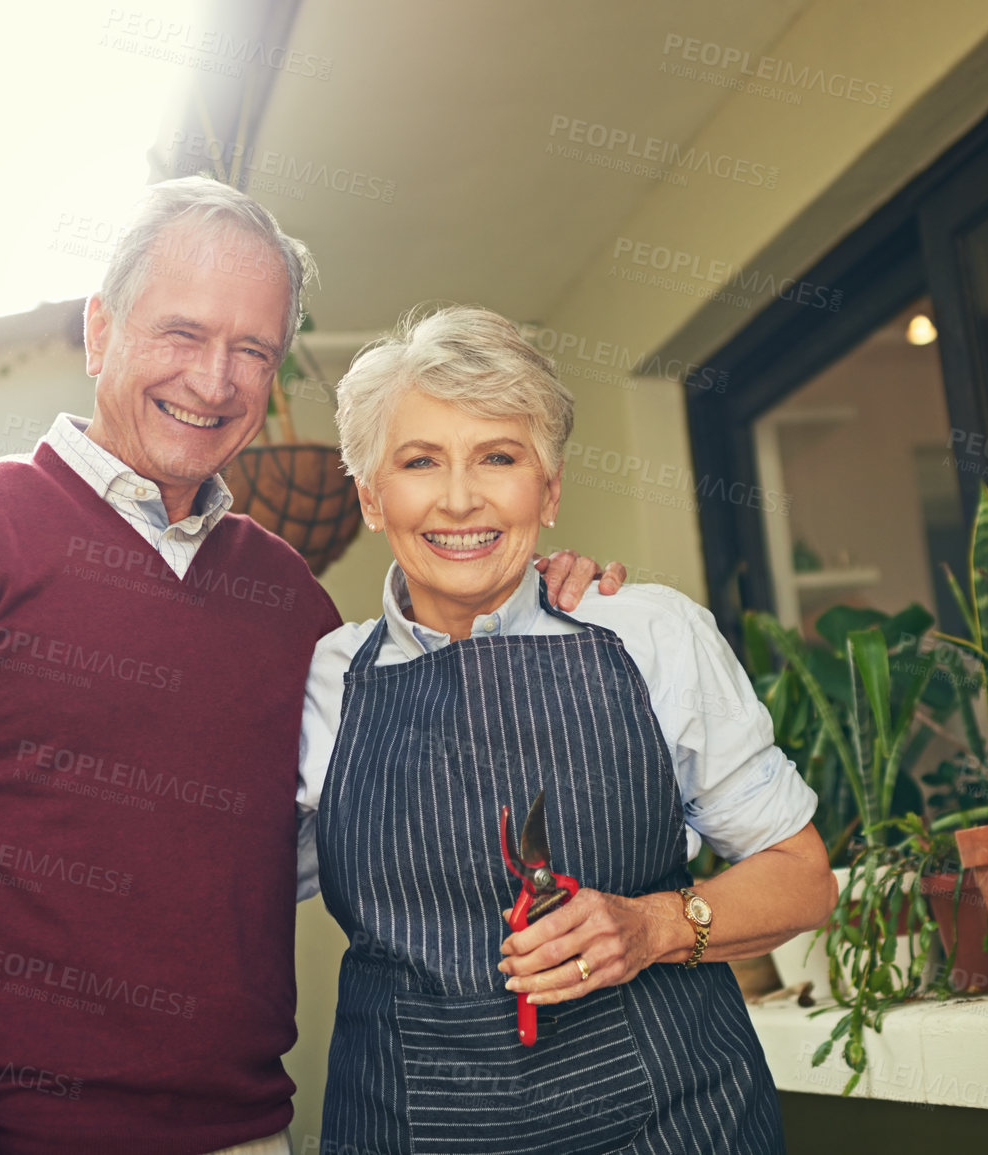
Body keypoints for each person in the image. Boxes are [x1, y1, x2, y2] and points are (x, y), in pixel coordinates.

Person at [0, 178, 619, 1155]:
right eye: (181, 335)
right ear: (100, 333)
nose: (215, 381)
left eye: (253, 350)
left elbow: (435, 817)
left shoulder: (292, 602)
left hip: (252, 1135)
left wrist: (544, 604)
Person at [297, 305, 839, 1155]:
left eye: (499, 457)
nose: (460, 497)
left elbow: (802, 877)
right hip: (405, 1128)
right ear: (370, 495)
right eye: (419, 461)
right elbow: (223, 895)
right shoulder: (317, 681)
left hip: (675, 1123)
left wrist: (653, 925)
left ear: (548, 492)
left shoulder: (649, 634)